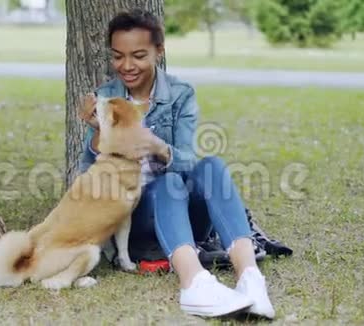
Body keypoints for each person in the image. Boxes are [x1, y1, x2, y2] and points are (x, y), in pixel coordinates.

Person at [77, 9, 275, 319]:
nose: (126, 66)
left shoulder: (180, 94)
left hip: (183, 216)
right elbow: (88, 177)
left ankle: (251, 280)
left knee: (210, 165)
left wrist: (159, 148)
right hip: (138, 221)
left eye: (139, 55)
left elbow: (186, 161)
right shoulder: (105, 99)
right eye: (118, 56)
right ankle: (193, 282)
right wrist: (99, 132)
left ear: (159, 51)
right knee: (167, 182)